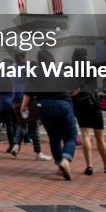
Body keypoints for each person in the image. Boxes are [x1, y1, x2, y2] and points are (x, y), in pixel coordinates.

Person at [22, 49, 77, 180]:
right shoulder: (61, 71)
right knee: (70, 136)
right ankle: (66, 159)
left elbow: (28, 93)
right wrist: (70, 94)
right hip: (63, 104)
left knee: (54, 138)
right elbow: (76, 88)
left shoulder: (34, 73)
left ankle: (59, 165)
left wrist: (23, 107)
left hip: (44, 106)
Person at [69, 48, 106, 175]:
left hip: (79, 103)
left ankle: (89, 166)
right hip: (93, 101)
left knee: (85, 135)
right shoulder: (91, 66)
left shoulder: (71, 69)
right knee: (99, 137)